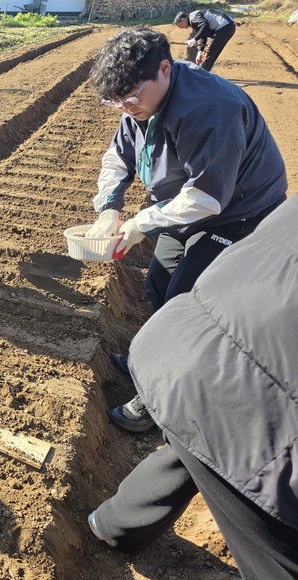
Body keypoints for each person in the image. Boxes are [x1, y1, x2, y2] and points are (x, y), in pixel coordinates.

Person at [88, 195, 298, 580]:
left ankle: (114, 524)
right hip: (245, 390)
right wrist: (118, 207)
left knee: (200, 434)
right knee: (249, 447)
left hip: (186, 344)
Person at [86, 27, 286, 431]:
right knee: (159, 284)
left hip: (239, 211)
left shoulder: (210, 108)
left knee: (189, 304)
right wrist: (109, 208)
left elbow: (207, 198)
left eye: (130, 97)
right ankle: (151, 362)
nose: (124, 107)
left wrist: (140, 223)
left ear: (165, 69)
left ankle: (161, 401)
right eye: (116, 101)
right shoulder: (138, 103)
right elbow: (118, 156)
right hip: (184, 204)